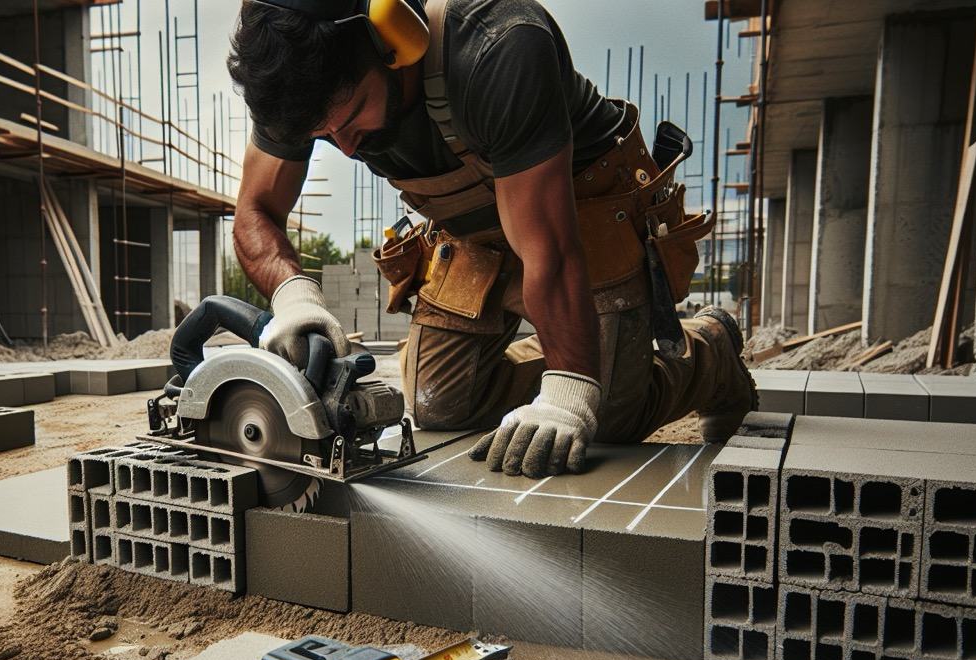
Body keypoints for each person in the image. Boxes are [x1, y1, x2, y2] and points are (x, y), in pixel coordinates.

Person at [226, 0, 757, 479]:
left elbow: (548, 247)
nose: (344, 147)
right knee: (438, 404)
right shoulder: (302, 87)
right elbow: (255, 212)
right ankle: (593, 352)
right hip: (477, 236)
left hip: (584, 215)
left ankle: (710, 352)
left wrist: (569, 392)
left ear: (393, 35)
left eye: (350, 115)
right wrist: (293, 298)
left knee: (606, 418)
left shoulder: (499, 47)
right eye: (323, 136)